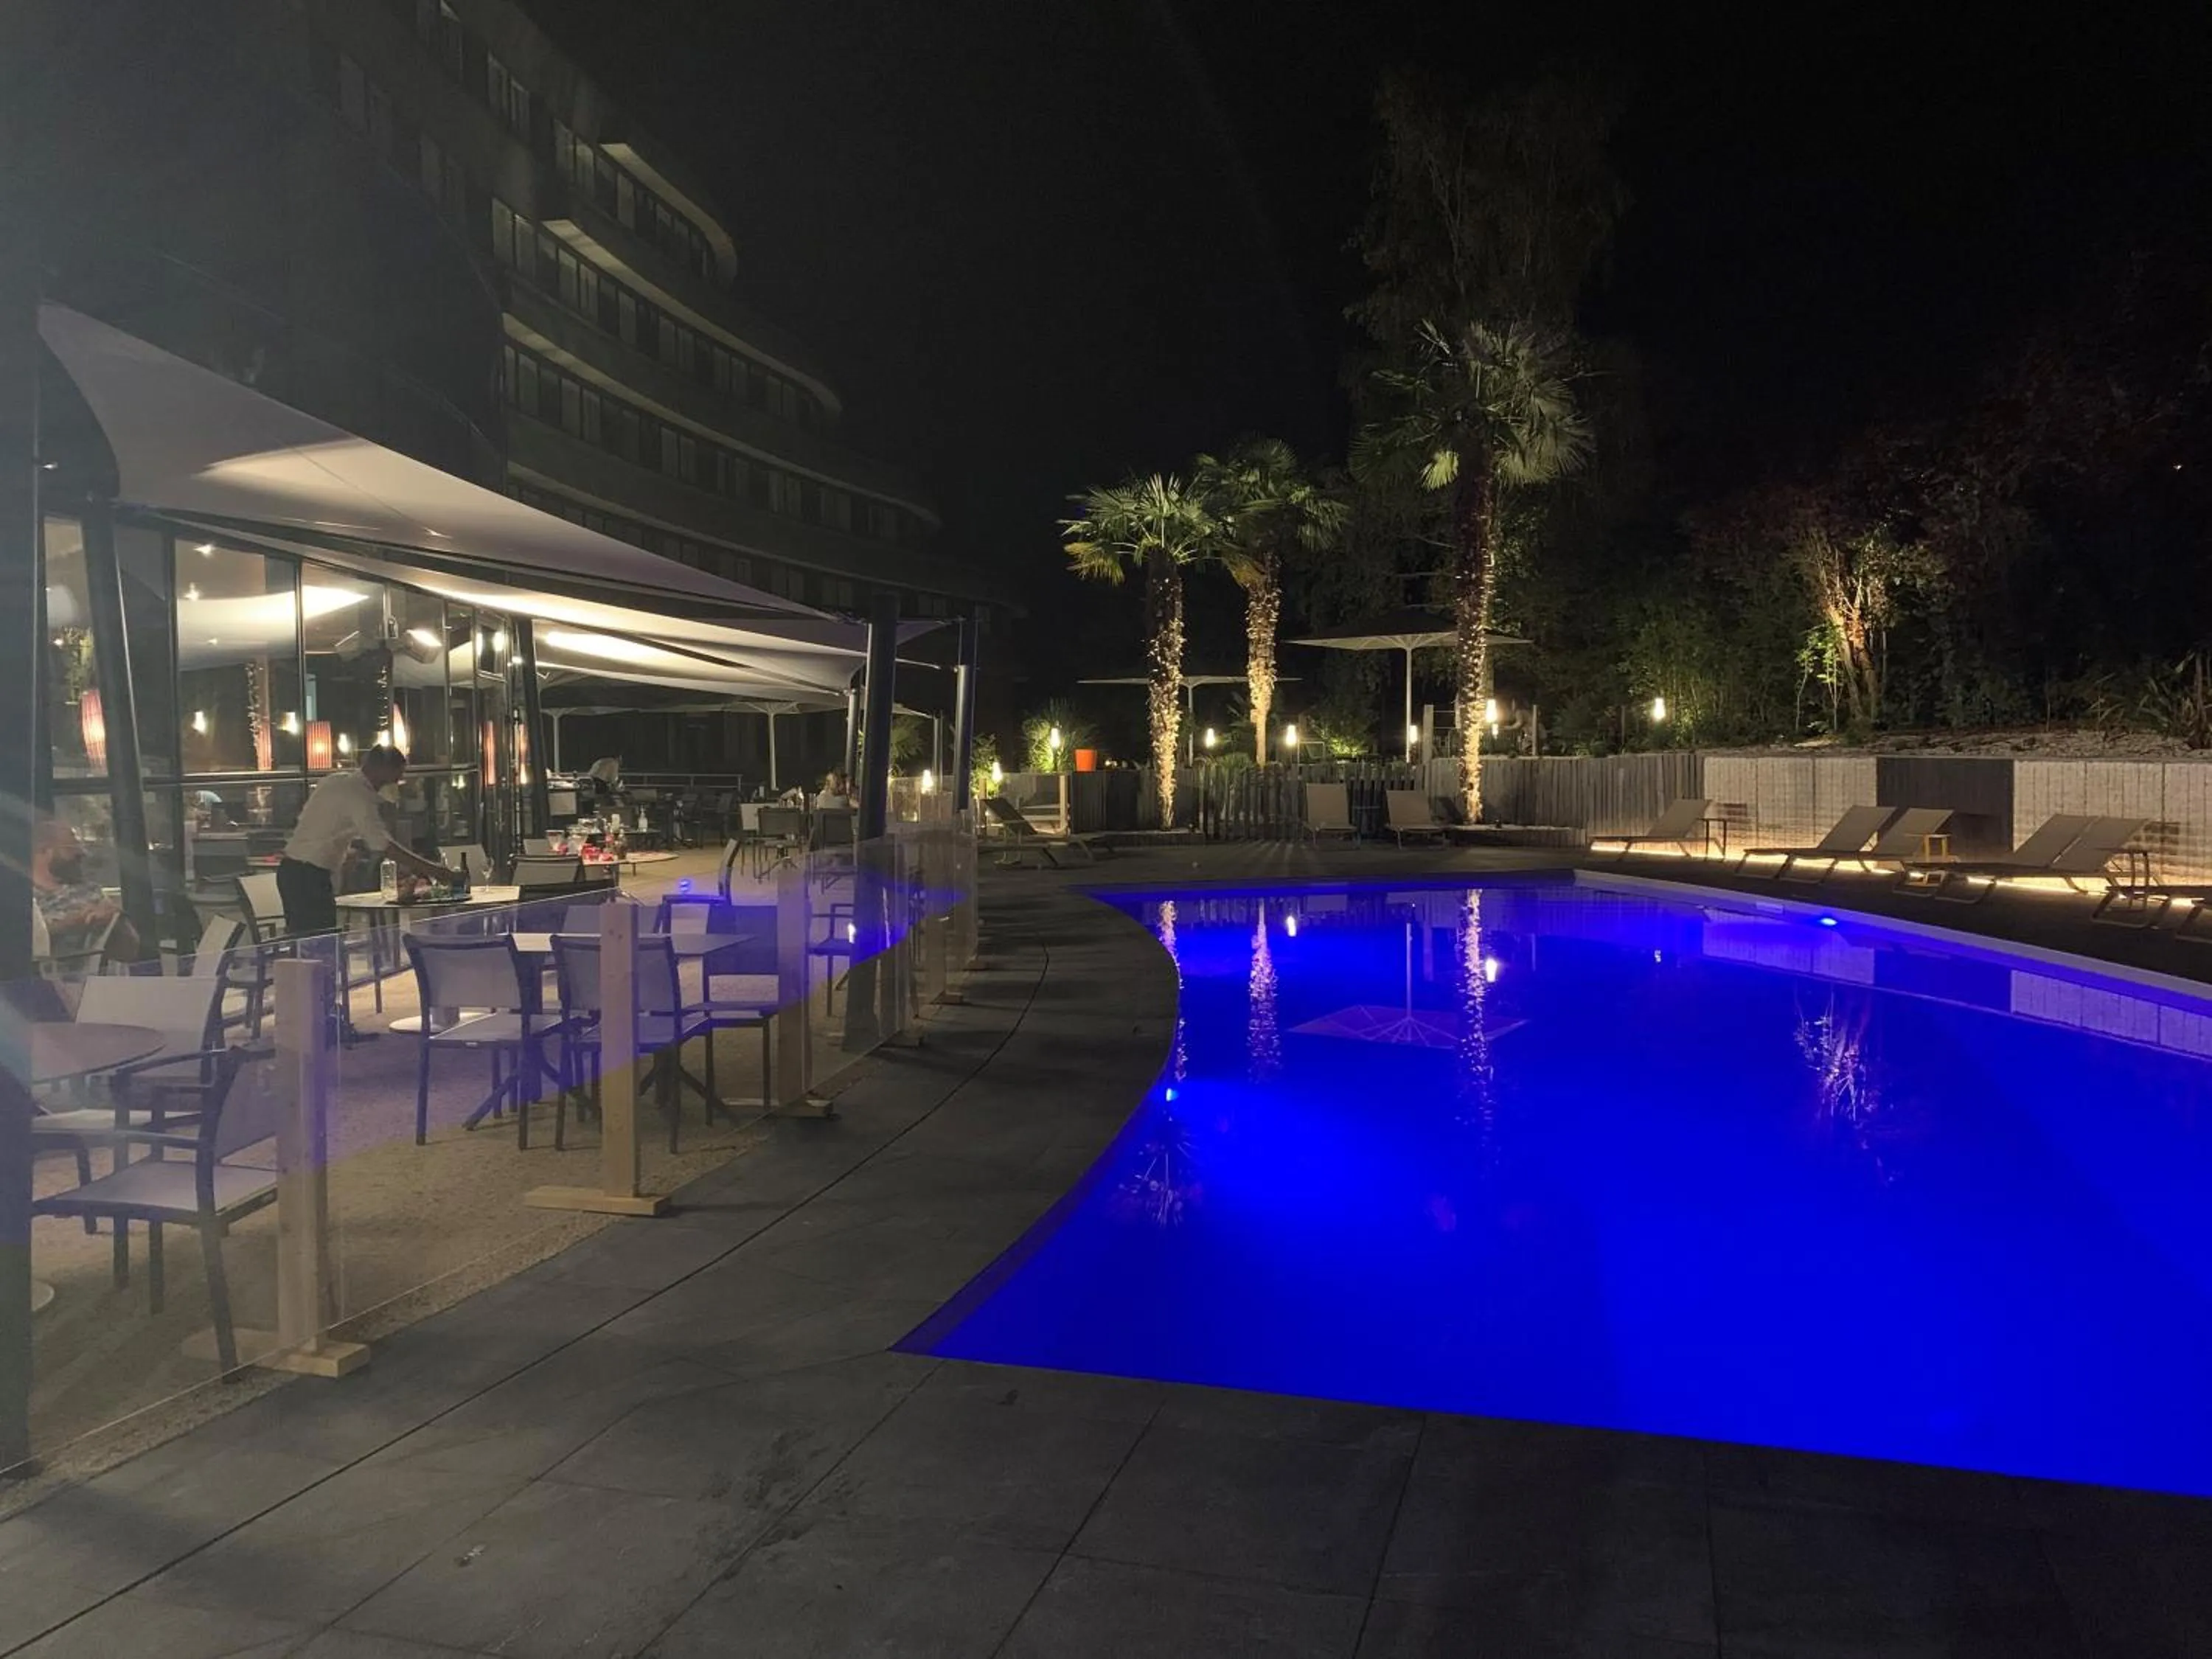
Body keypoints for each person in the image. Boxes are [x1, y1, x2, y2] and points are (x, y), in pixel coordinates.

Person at [278, 744, 451, 936]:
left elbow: (323, 825)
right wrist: (434, 870)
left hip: (294, 870)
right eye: (397, 774)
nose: (399, 780)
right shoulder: (358, 795)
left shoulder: (336, 781)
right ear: (383, 769)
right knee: (319, 944)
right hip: (307, 876)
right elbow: (383, 844)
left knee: (310, 942)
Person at [32, 816, 139, 964]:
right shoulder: (20, 896)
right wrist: (72, 923)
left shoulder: (90, 891)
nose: (82, 854)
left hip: (96, 981)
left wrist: (115, 920)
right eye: (70, 848)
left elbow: (130, 952)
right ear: (43, 850)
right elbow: (19, 943)